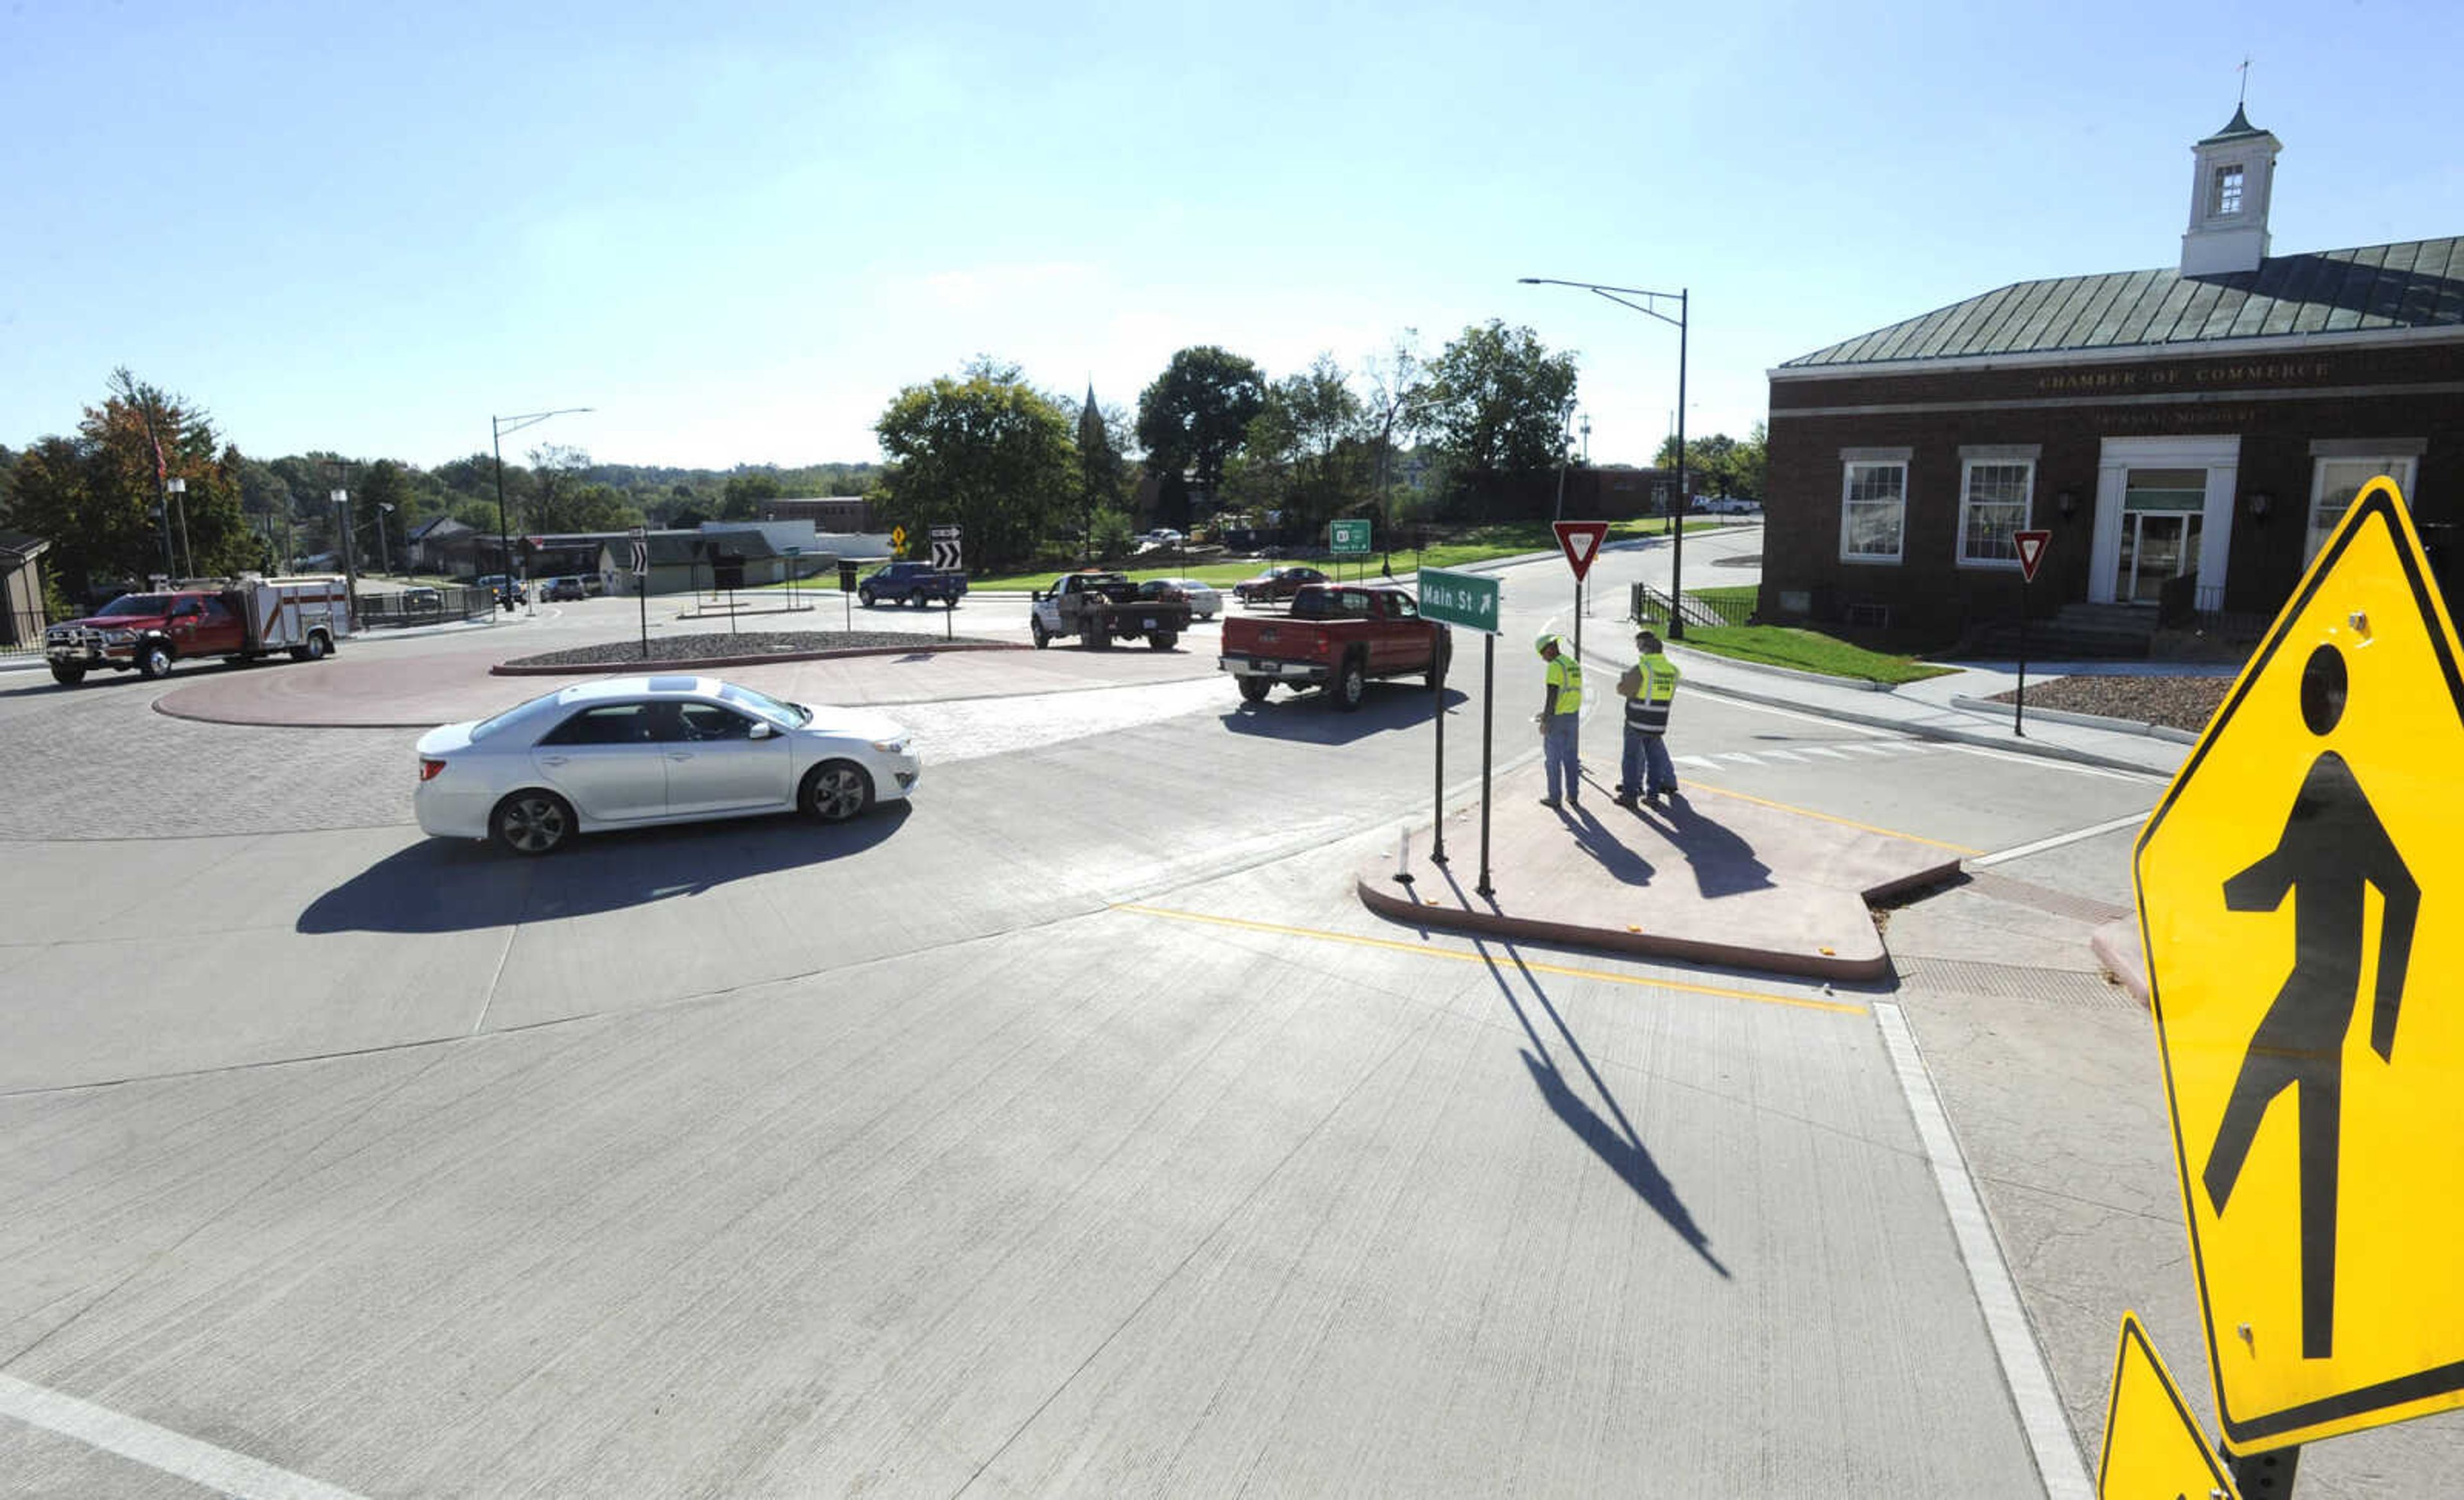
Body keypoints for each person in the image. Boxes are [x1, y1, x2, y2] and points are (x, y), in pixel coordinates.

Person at [1614, 627, 1682, 808]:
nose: (1638, 650)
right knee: (1655, 759)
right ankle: (1653, 796)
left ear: (1646, 649)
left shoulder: (1643, 668)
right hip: (1658, 722)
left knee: (1631, 758)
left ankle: (1629, 796)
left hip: (1637, 720)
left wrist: (1624, 680)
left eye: (1639, 647)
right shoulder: (1673, 671)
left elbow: (1624, 690)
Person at [1534, 633, 1584, 807]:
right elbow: (1568, 693)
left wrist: (1545, 721)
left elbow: (1552, 696)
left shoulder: (1555, 666)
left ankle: (1554, 798)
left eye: (1542, 653)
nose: (1542, 657)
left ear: (1550, 649)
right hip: (1573, 717)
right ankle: (1573, 795)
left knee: (1553, 761)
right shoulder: (1573, 664)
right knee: (1571, 758)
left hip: (1557, 720)